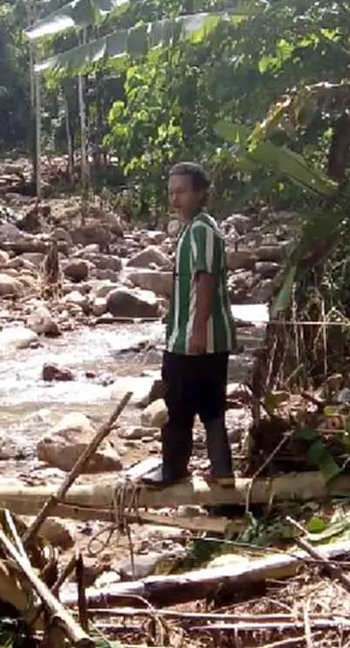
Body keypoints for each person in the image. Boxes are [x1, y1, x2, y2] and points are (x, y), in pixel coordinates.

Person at [140, 162, 238, 489]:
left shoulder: (200, 230)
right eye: (171, 192)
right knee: (211, 406)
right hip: (204, 336)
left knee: (178, 405)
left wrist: (196, 330)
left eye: (181, 192)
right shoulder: (196, 228)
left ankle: (174, 469)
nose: (175, 199)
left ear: (201, 193)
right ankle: (222, 471)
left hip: (195, 339)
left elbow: (205, 279)